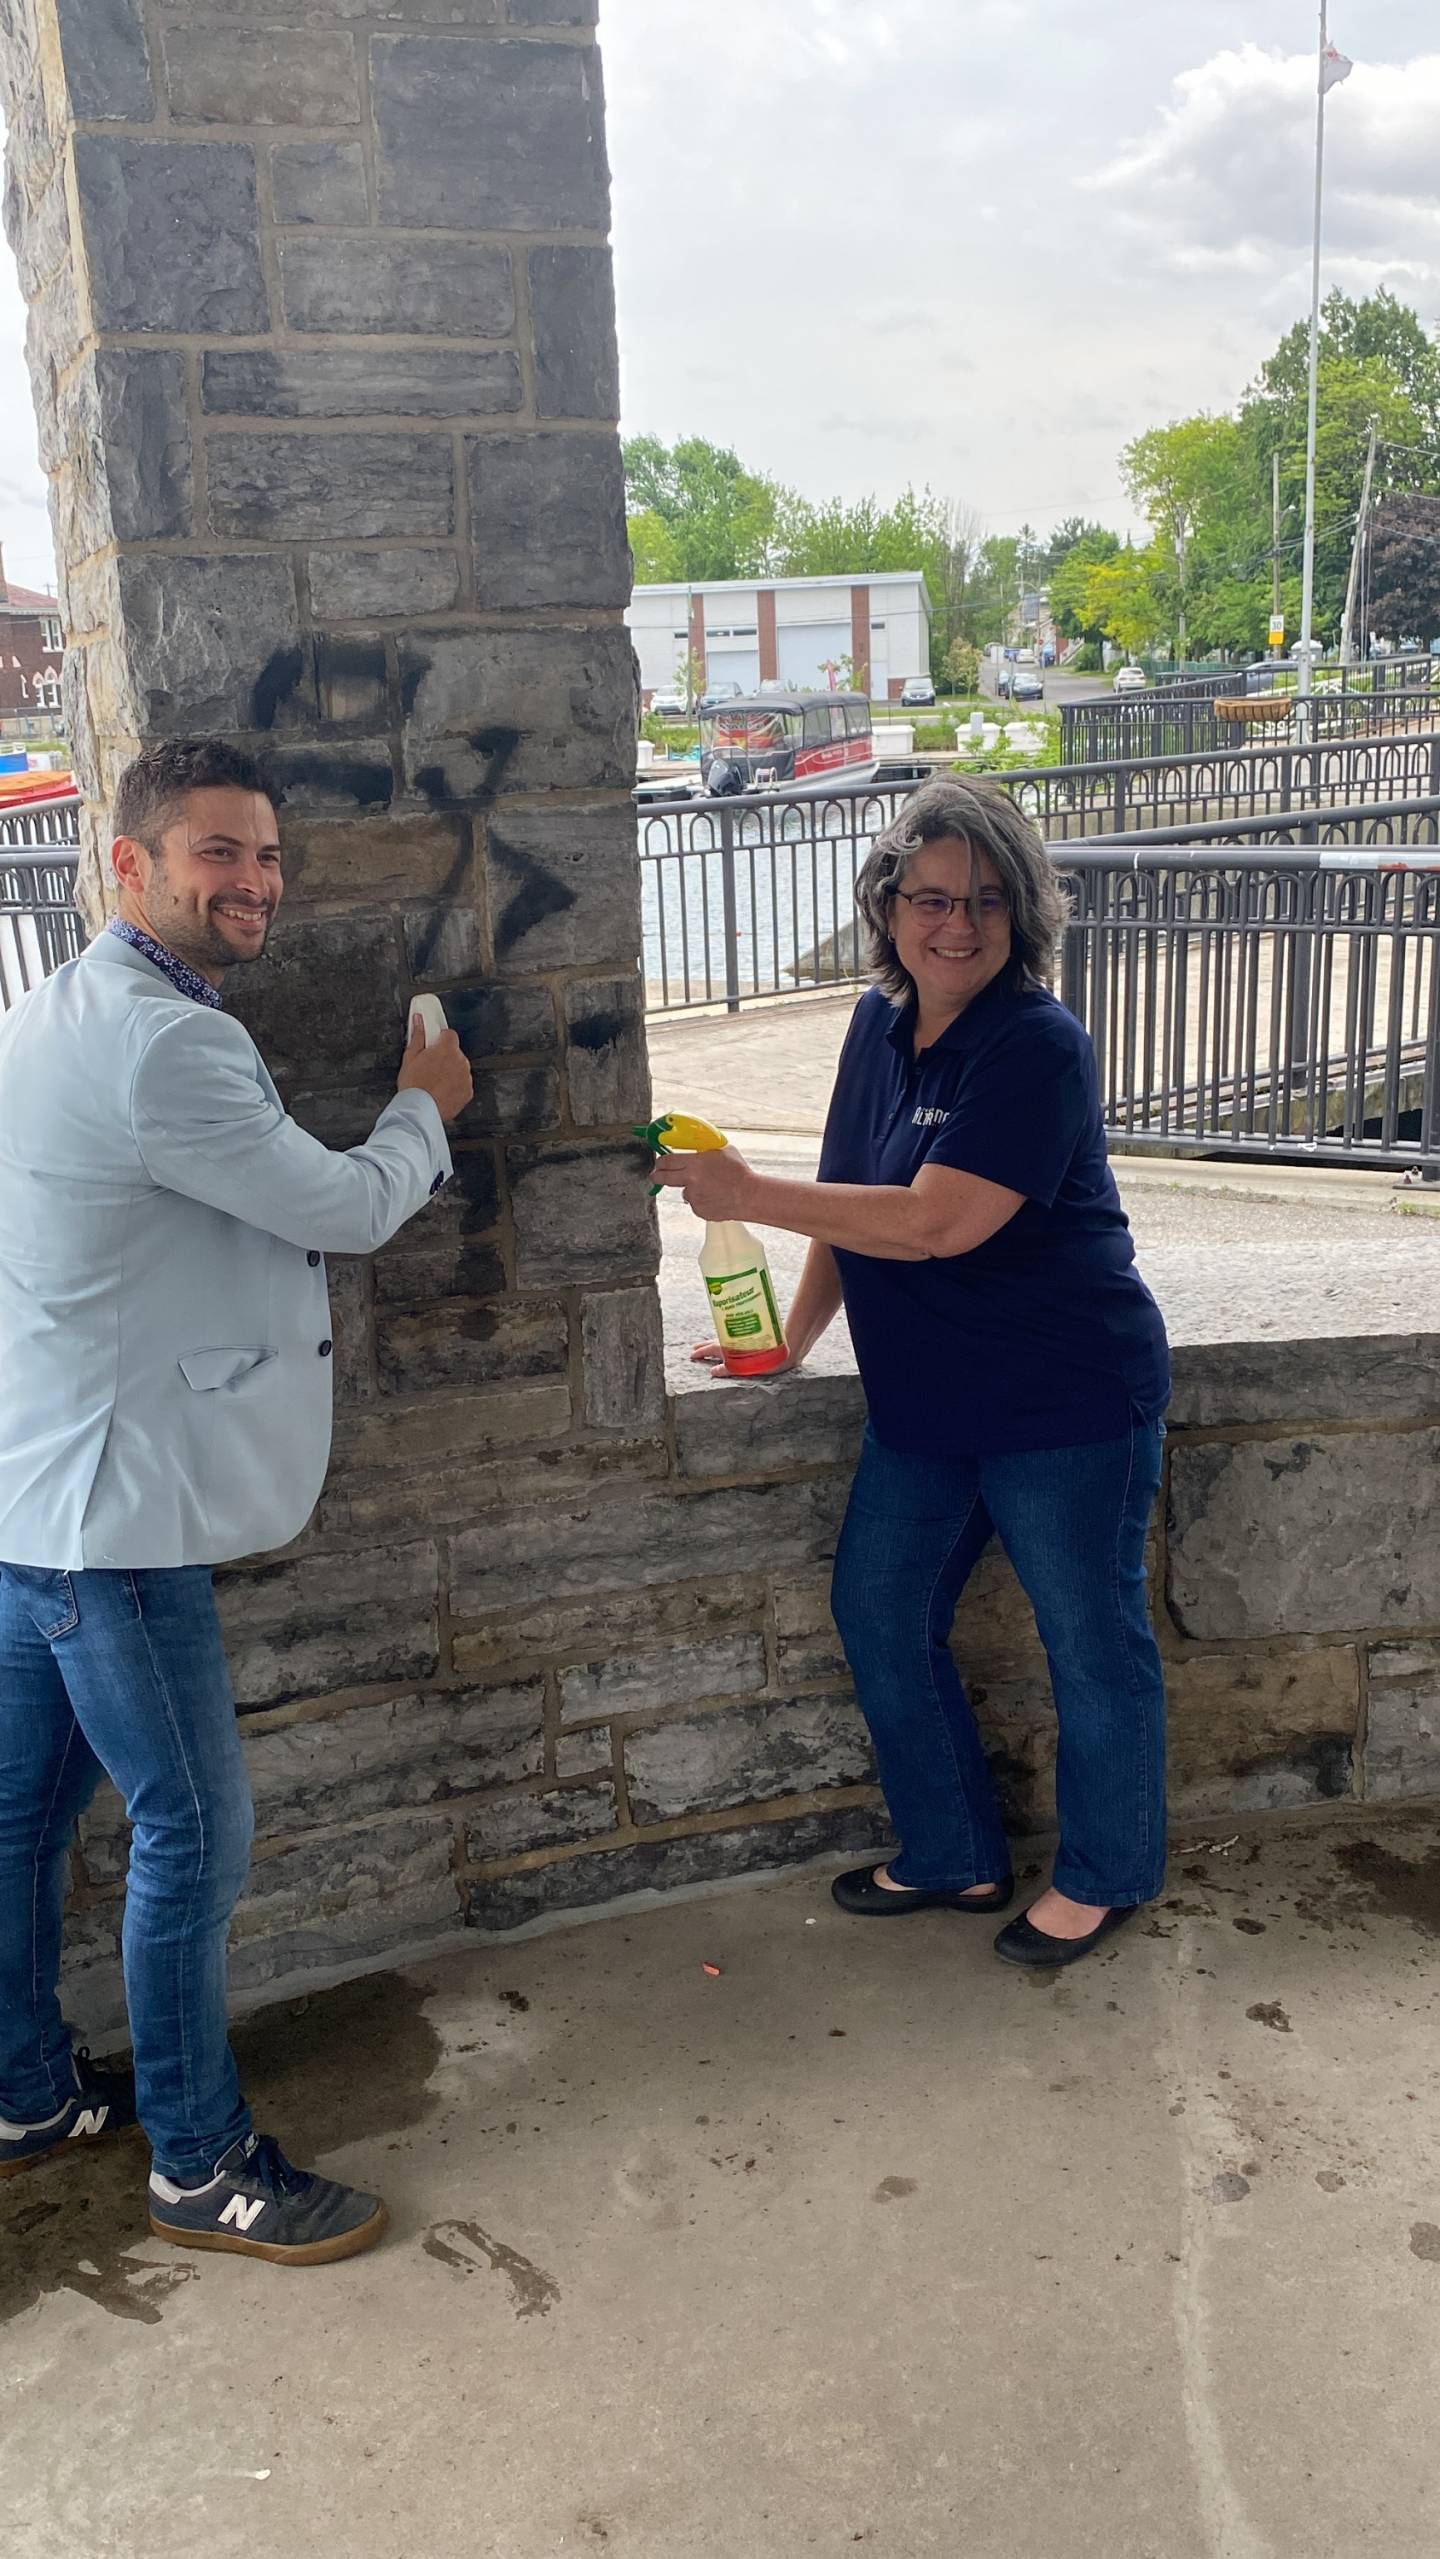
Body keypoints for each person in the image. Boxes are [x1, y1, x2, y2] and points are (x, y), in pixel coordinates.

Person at [0, 737, 473, 2256]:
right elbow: (340, 1206)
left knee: (22, 1823)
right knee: (193, 1828)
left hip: (32, 1495)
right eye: (219, 851)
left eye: (267, 852)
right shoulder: (167, 1041)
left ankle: (22, 2089)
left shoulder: (50, 1013)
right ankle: (201, 2164)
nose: (255, 879)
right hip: (119, 1517)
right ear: (126, 862)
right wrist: (426, 1103)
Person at [655, 776, 1170, 1969]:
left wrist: (744, 1194)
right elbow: (856, 1202)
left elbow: (938, 1223)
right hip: (928, 1404)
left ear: (1025, 912)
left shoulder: (1038, 1046)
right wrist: (791, 1339)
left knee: (1091, 1640)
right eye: (932, 896)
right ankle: (952, 1853)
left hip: (1064, 1400)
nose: (959, 923)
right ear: (887, 906)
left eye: (989, 899)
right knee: (880, 1612)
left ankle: (1106, 1873)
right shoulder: (876, 1027)